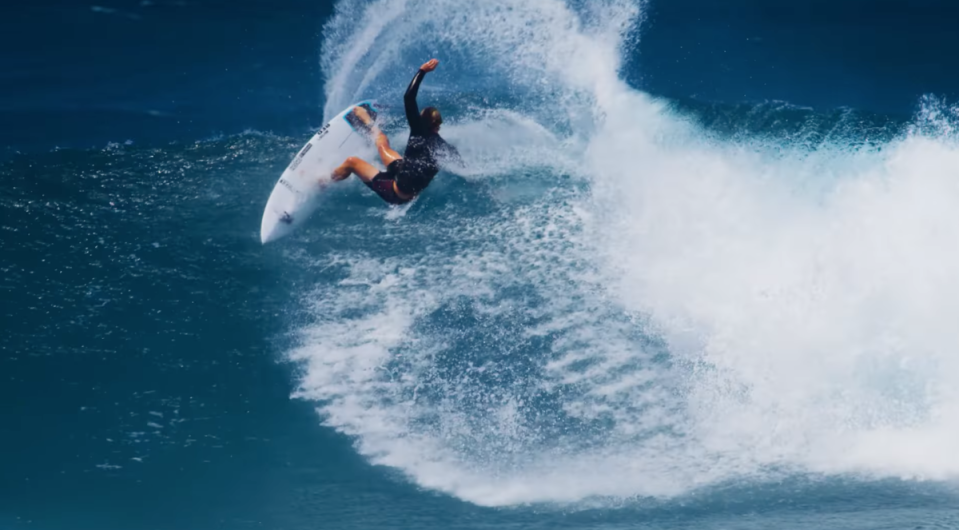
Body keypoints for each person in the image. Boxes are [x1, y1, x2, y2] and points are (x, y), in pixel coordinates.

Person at [331, 58, 461, 204]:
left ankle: (323, 181)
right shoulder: (444, 148)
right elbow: (463, 169)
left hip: (396, 193)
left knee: (351, 162)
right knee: (382, 143)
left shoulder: (418, 129)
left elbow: (409, 97)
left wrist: (422, 71)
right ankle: (368, 122)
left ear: (422, 120)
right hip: (402, 171)